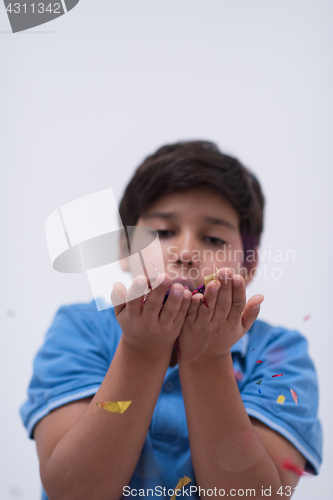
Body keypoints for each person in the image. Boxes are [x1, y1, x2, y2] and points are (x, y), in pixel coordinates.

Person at [20, 141, 322, 500]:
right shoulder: (80, 328)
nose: (186, 252)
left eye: (213, 238)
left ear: (249, 264)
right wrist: (141, 351)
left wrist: (208, 357)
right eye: (163, 232)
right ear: (123, 250)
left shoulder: (281, 354)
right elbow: (74, 492)